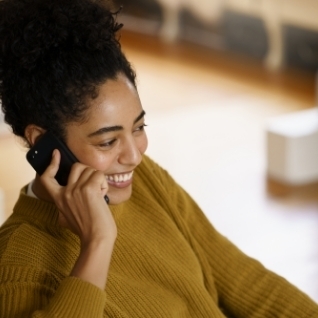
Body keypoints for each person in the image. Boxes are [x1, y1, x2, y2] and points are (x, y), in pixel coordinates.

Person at [0, 0, 317, 317]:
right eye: (108, 141)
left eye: (138, 127)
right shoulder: (16, 268)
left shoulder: (146, 181)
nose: (135, 156)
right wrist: (97, 242)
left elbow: (249, 285)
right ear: (42, 141)